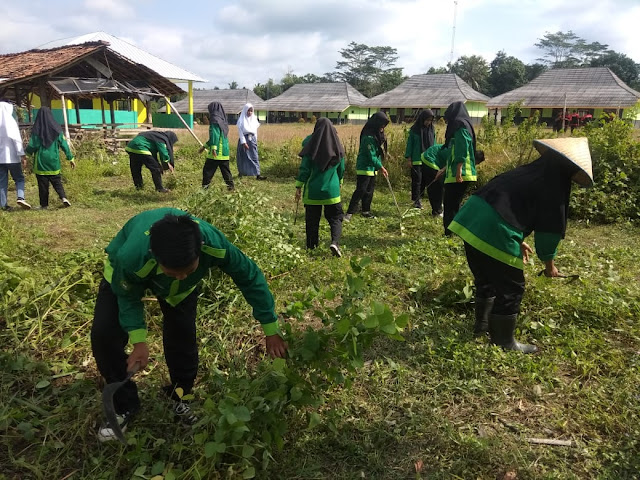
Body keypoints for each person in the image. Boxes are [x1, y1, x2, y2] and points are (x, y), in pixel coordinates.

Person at [91, 208, 288, 442]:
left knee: (182, 337)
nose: (182, 277)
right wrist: (139, 341)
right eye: (173, 273)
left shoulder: (213, 243)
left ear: (200, 249)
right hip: (122, 279)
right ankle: (124, 405)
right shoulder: (131, 257)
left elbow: (249, 276)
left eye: (189, 270)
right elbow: (128, 297)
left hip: (179, 295)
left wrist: (270, 328)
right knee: (104, 335)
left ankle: (180, 397)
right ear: (155, 256)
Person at [448, 137, 593, 353]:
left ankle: (482, 326)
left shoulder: (527, 171)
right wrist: (549, 266)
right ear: (571, 169)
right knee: (512, 287)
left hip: (470, 217)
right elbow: (549, 232)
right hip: (496, 228)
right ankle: (504, 343)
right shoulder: (556, 186)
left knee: (485, 277)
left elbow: (506, 201)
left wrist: (519, 238)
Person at [295, 118, 346, 257]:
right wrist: (340, 180)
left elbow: (304, 169)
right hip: (332, 191)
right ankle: (335, 242)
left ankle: (311, 247)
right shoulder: (337, 145)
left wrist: (298, 186)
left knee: (312, 221)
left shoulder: (311, 145)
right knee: (335, 218)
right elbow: (341, 168)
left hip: (313, 192)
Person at [25, 107, 75, 209]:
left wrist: (26, 155)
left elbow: (32, 146)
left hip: (41, 162)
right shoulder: (57, 130)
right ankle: (63, 197)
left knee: (43, 185)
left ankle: (44, 205)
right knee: (57, 182)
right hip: (54, 161)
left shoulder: (37, 130)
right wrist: (70, 158)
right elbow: (64, 145)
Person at [440, 102, 478, 235]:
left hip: (461, 173)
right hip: (456, 172)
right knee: (453, 204)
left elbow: (462, 150)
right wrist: (444, 169)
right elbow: (454, 153)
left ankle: (450, 232)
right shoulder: (461, 125)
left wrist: (458, 172)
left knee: (450, 204)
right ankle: (456, 231)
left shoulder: (460, 125)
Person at [344, 112, 389, 221]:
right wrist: (381, 167)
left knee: (369, 191)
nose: (382, 128)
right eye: (381, 125)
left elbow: (378, 152)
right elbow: (371, 156)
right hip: (364, 168)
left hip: (372, 169)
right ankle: (349, 213)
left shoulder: (377, 135)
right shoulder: (368, 137)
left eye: (384, 125)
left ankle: (366, 211)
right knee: (361, 190)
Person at [0, 101, 30, 211]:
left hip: (0, 159)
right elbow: (17, 140)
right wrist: (22, 155)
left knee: (2, 182)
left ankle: (3, 205)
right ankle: (20, 197)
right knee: (19, 178)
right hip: (12, 157)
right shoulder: (10, 122)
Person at [199, 102, 234, 190]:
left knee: (207, 171)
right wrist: (204, 147)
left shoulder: (214, 120)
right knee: (226, 172)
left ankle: (204, 189)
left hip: (216, 153)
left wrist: (214, 148)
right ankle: (231, 188)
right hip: (224, 152)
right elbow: (216, 137)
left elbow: (215, 135)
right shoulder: (223, 121)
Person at [405, 109, 436, 209]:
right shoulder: (415, 130)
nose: (428, 122)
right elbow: (410, 144)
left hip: (428, 160)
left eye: (430, 120)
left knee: (425, 180)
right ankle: (416, 200)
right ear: (422, 119)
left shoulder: (431, 129)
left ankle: (421, 197)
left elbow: (433, 144)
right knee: (417, 180)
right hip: (416, 159)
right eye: (427, 120)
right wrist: (409, 158)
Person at [236, 103, 265, 180]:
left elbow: (255, 132)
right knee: (243, 157)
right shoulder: (241, 120)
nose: (250, 113)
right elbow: (240, 132)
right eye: (248, 111)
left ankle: (257, 174)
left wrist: (255, 141)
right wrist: (244, 142)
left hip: (252, 139)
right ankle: (241, 173)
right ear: (245, 111)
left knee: (254, 156)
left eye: (251, 111)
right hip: (244, 140)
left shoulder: (254, 119)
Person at [420, 143, 448, 216]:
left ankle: (438, 208)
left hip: (426, 156)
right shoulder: (460, 155)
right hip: (431, 159)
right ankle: (437, 211)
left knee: (436, 186)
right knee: (436, 187)